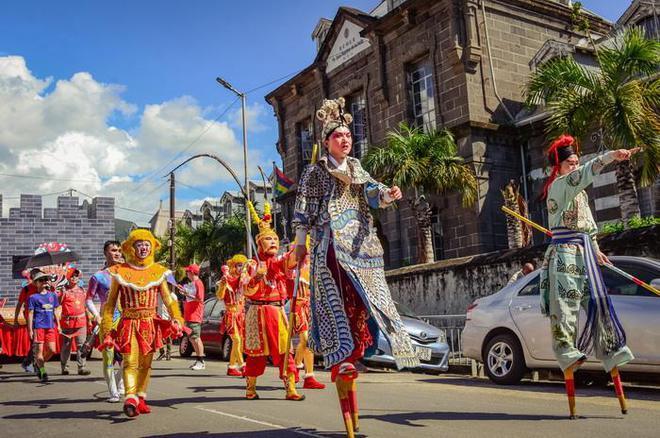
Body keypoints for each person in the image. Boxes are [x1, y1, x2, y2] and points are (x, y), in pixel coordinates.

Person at [293, 97, 419, 436]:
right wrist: (300, 246)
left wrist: (390, 193)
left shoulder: (357, 168)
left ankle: (364, 349)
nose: (345, 140)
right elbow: (303, 211)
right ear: (327, 141)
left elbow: (374, 193)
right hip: (330, 246)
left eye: (348, 135)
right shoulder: (316, 172)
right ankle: (343, 354)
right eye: (339, 136)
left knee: (369, 302)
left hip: (361, 248)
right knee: (338, 303)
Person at [539, 134, 639, 418]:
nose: (575, 165)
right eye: (570, 162)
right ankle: (567, 352)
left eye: (576, 161)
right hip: (565, 255)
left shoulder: (579, 193)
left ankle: (611, 351)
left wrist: (596, 249)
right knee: (565, 309)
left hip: (584, 253)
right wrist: (609, 156)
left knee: (598, 306)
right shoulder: (560, 186)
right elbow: (584, 174)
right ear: (558, 166)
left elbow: (589, 228)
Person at [101, 229, 184, 418]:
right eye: (140, 244)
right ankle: (130, 397)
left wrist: (177, 318)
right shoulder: (120, 272)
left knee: (146, 364)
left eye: (147, 244)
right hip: (128, 322)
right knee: (130, 361)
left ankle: (140, 397)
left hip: (150, 323)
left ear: (151, 247)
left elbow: (169, 299)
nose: (144, 247)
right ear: (132, 248)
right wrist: (107, 330)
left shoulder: (158, 272)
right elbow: (110, 304)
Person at [243, 201, 304, 401]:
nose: (273, 243)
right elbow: (245, 289)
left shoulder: (278, 263)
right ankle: (250, 388)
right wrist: (257, 277)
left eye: (275, 239)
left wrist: (302, 240)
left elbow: (292, 259)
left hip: (277, 313)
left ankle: (291, 388)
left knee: (285, 352)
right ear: (259, 243)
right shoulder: (251, 264)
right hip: (257, 312)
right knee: (255, 353)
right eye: (268, 239)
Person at [86, 240, 125, 402]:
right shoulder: (98, 276)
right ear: (105, 253)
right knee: (109, 357)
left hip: (125, 320)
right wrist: (97, 315)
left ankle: (119, 381)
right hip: (107, 320)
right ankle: (113, 392)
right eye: (113, 250)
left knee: (129, 356)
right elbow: (88, 299)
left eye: (119, 250)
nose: (117, 253)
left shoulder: (127, 273)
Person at [292, 249, 325, 390]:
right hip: (298, 307)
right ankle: (305, 374)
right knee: (306, 340)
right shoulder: (292, 268)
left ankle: (299, 368)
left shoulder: (313, 268)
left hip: (309, 307)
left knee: (306, 341)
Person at [216, 254, 247, 376]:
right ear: (233, 266)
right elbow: (219, 296)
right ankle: (242, 365)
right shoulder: (226, 279)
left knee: (238, 341)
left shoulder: (243, 280)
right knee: (237, 340)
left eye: (243, 266)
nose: (241, 268)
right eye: (239, 265)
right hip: (231, 314)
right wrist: (223, 284)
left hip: (241, 314)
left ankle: (231, 366)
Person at [27, 270, 61, 382]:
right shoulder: (33, 297)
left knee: (52, 350)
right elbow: (30, 314)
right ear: (36, 283)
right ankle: (42, 372)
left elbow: (56, 310)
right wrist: (30, 329)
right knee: (39, 352)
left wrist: (59, 325)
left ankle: (38, 364)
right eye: (41, 280)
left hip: (50, 326)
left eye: (46, 279)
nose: (44, 282)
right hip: (39, 327)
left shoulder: (53, 295)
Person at [59, 267, 90, 375]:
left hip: (81, 322)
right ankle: (65, 367)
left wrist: (89, 320)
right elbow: (57, 303)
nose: (74, 278)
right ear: (68, 278)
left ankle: (82, 367)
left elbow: (85, 306)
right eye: (71, 276)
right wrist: (61, 293)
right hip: (67, 323)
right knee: (66, 345)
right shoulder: (64, 290)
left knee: (81, 345)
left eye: (76, 276)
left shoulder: (82, 290)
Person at [13, 268, 42, 373]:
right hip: (31, 319)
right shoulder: (26, 289)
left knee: (40, 343)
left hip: (43, 318)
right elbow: (19, 304)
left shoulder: (43, 288)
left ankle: (26, 362)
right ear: (32, 277)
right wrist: (16, 319)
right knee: (35, 342)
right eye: (36, 276)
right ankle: (35, 366)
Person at [179, 264, 206, 370]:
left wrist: (187, 293)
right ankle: (199, 360)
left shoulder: (199, 283)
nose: (186, 273)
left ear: (192, 273)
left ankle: (201, 360)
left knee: (195, 338)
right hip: (189, 315)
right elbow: (190, 295)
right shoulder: (192, 283)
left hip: (195, 315)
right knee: (192, 338)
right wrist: (184, 291)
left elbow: (200, 299)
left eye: (188, 272)